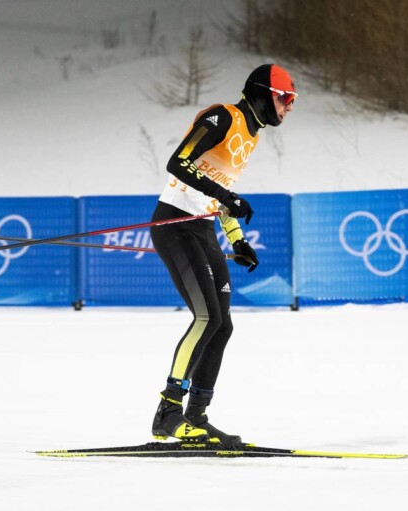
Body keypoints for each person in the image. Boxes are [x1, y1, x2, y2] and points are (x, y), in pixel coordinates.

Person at [149, 64, 297, 446]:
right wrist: (226, 197)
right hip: (175, 224)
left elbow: (223, 191)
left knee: (223, 324)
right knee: (206, 316)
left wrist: (236, 239)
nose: (289, 106)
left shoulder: (252, 137)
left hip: (203, 227)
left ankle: (196, 417)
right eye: (285, 98)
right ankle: (168, 412)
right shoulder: (222, 117)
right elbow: (178, 162)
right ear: (263, 94)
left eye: (291, 100)